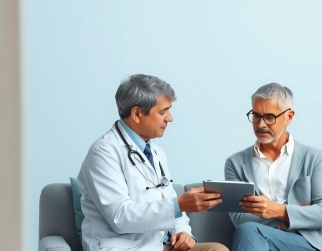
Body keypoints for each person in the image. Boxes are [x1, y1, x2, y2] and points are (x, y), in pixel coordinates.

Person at [78, 74, 228, 251]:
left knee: (217, 249)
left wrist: (183, 231)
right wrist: (179, 205)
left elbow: (170, 201)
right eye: (163, 112)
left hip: (158, 246)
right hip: (123, 248)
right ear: (137, 113)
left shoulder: (156, 152)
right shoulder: (103, 152)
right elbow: (120, 217)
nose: (170, 118)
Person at [224, 83, 322, 251]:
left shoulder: (315, 157)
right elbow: (240, 218)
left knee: (249, 231)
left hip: (306, 244)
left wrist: (277, 210)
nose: (261, 124)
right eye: (256, 115)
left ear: (289, 117)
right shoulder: (235, 163)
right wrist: (297, 214)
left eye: (269, 117)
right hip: (256, 241)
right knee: (248, 230)